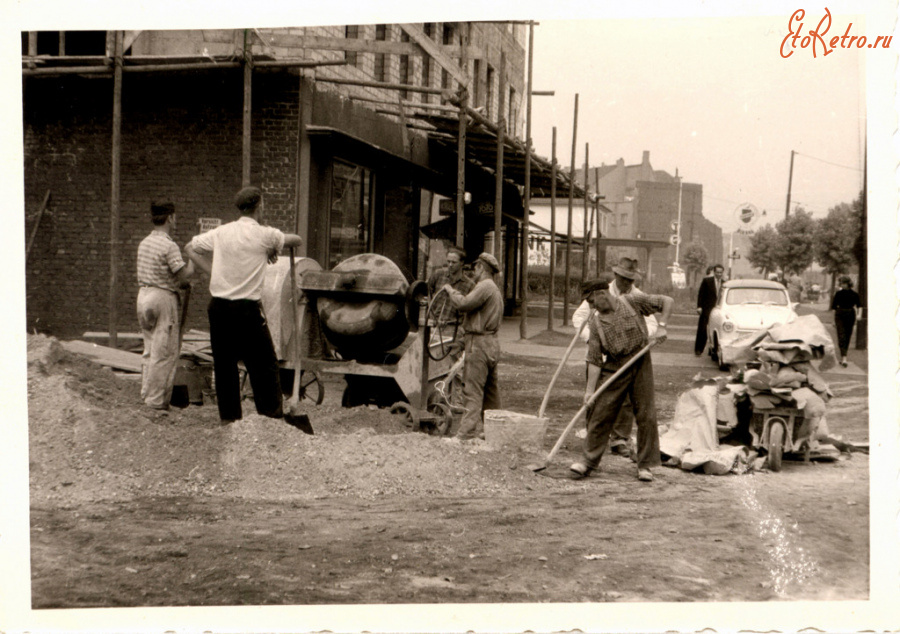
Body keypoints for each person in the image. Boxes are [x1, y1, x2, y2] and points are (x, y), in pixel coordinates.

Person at [185, 186, 303, 423]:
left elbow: (190, 247)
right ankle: (270, 419)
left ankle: (229, 421)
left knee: (225, 367)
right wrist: (271, 247)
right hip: (247, 310)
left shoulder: (221, 232)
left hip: (218, 308)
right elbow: (296, 240)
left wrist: (212, 272)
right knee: (265, 366)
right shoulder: (263, 234)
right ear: (260, 207)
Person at [570, 277, 673, 482]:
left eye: (591, 301)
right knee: (600, 412)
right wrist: (589, 392)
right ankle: (588, 461)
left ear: (602, 294)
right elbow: (594, 360)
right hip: (615, 366)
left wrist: (662, 326)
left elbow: (667, 301)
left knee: (646, 414)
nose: (590, 306)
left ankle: (645, 465)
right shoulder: (596, 322)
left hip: (640, 361)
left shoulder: (632, 301)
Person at [572, 257, 657, 457]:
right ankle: (593, 437)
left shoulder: (636, 297)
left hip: (627, 356)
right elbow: (578, 318)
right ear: (616, 276)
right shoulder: (600, 290)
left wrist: (638, 336)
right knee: (594, 396)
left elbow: (652, 323)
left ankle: (619, 439)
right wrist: (592, 339)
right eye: (624, 279)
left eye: (631, 280)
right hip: (597, 352)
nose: (628, 283)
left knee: (626, 400)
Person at [136, 201, 195, 410]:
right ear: (170, 218)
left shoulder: (144, 242)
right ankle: (156, 402)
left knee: (150, 350)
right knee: (164, 352)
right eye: (175, 217)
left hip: (143, 296)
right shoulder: (169, 246)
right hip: (162, 298)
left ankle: (146, 395)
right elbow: (183, 276)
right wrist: (195, 258)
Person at [442, 252, 504, 440]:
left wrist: (450, 290)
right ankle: (494, 431)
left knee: (473, 390)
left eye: (475, 268)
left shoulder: (484, 286)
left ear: (481, 268)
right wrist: (461, 342)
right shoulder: (493, 288)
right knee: (490, 392)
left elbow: (463, 304)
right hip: (491, 342)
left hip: (479, 344)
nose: (473, 272)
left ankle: (465, 434)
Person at [427, 246, 475, 331]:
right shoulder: (438, 275)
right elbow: (427, 293)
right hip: (434, 325)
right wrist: (431, 314)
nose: (450, 265)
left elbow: (470, 309)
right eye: (448, 261)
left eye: (454, 262)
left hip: (455, 328)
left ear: (462, 262)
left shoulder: (469, 285)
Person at [830, 276, 862, 367]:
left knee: (848, 335)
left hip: (850, 314)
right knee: (841, 336)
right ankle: (844, 357)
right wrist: (833, 320)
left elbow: (859, 305)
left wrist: (859, 315)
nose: (842, 285)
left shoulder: (854, 294)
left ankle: (844, 355)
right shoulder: (838, 294)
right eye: (841, 283)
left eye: (844, 283)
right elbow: (834, 308)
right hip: (840, 315)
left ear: (848, 284)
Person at [694, 263, 724, 356]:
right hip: (707, 308)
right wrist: (699, 306)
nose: (719, 274)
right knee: (703, 329)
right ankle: (698, 349)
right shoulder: (707, 281)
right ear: (714, 272)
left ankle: (713, 349)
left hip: (718, 309)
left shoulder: (724, 283)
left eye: (720, 272)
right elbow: (701, 294)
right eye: (717, 272)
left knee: (716, 329)